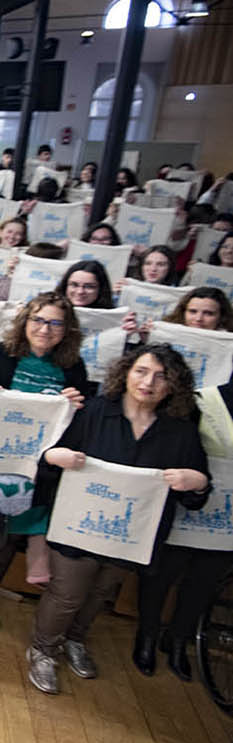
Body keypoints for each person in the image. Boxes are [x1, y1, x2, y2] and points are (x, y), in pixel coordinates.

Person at [27, 345, 209, 695]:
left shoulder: (180, 431)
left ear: (174, 385)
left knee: (100, 593)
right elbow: (48, 458)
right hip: (77, 526)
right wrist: (56, 455)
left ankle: (75, 640)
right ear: (126, 372)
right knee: (67, 594)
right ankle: (43, 649)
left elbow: (199, 490)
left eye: (161, 376)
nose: (149, 382)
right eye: (141, 371)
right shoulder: (97, 411)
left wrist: (195, 481)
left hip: (131, 534)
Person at [0, 294, 91, 635]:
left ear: (66, 329)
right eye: (38, 320)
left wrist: (75, 406)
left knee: (8, 543)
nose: (45, 329)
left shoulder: (73, 367)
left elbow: (78, 426)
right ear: (24, 321)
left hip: (38, 471)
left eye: (55, 322)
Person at [133, 289, 233, 678]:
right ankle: (146, 635)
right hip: (184, 498)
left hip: (226, 517)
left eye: (211, 313)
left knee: (204, 582)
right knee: (162, 573)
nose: (202, 318)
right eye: (196, 312)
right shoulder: (203, 399)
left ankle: (178, 640)